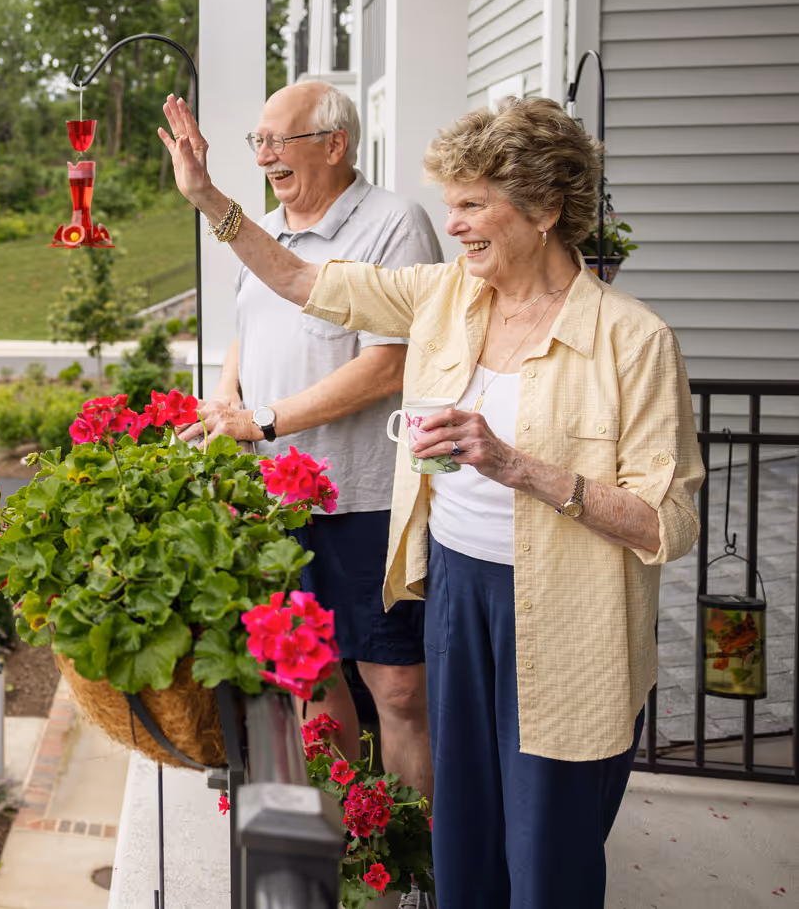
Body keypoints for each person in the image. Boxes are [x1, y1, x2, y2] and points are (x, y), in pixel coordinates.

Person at [158, 93, 701, 908]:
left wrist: (523, 467)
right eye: (451, 204)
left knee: (546, 846)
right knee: (466, 833)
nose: (455, 225)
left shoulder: (634, 339)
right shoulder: (448, 297)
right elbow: (305, 279)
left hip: (563, 611)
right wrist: (210, 200)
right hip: (454, 588)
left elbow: (670, 521)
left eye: (474, 205)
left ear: (548, 207)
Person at [183, 80, 441, 796]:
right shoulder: (269, 232)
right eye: (258, 141)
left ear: (335, 143)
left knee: (395, 688)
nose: (265, 155)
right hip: (277, 507)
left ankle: (413, 864)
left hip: (365, 501)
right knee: (310, 678)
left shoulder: (394, 224)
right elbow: (248, 329)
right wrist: (229, 395)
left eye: (279, 140)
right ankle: (342, 849)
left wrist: (264, 420)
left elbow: (388, 364)